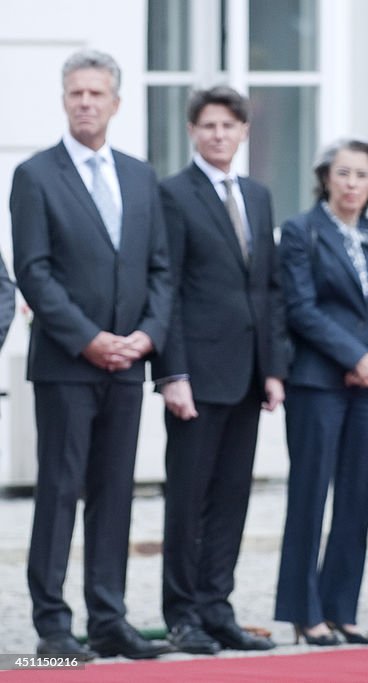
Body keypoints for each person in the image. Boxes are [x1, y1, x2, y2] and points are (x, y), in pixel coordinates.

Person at [10, 49, 172, 660]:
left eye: (96, 93)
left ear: (115, 103)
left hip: (128, 364)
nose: (85, 102)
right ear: (63, 100)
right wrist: (88, 338)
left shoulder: (138, 175)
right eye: (76, 93)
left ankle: (108, 616)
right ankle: (52, 624)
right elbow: (34, 271)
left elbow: (160, 268)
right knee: (59, 491)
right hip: (66, 365)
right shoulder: (35, 175)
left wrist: (147, 335)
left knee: (115, 492)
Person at [155, 86, 287, 654]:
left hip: (247, 375)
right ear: (193, 131)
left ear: (242, 132)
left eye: (228, 126)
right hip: (195, 376)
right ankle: (182, 614)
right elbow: (169, 290)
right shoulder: (172, 195)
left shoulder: (257, 196)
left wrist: (273, 368)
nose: (218, 135)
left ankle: (217, 607)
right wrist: (172, 372)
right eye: (208, 126)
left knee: (233, 497)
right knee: (188, 499)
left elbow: (268, 288)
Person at [274, 138, 368, 646]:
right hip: (318, 382)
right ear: (326, 176)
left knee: (358, 496)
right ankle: (304, 612)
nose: (352, 183)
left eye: (362, 175)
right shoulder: (301, 231)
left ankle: (341, 609)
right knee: (310, 495)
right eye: (344, 173)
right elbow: (300, 308)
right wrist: (354, 355)